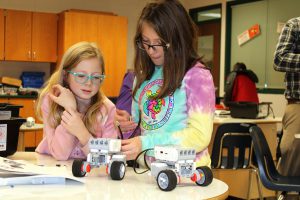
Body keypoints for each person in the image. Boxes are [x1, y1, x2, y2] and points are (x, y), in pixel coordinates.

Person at [117, 0, 215, 168]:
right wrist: (125, 127)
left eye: (159, 43)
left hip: (186, 175)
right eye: (145, 42)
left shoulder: (197, 76)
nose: (150, 50)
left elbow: (199, 136)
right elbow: (140, 131)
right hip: (146, 173)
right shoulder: (141, 76)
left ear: (178, 40)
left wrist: (146, 143)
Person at [35, 41, 118, 161]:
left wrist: (82, 133)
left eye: (95, 77)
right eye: (80, 76)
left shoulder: (108, 109)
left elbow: (105, 158)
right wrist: (70, 110)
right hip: (54, 169)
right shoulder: (50, 101)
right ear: (65, 75)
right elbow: (60, 154)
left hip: (91, 175)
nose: (89, 83)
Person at [273, 17, 300, 176]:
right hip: (298, 104)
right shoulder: (295, 25)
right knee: (291, 152)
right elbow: (279, 59)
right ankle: (288, 194)